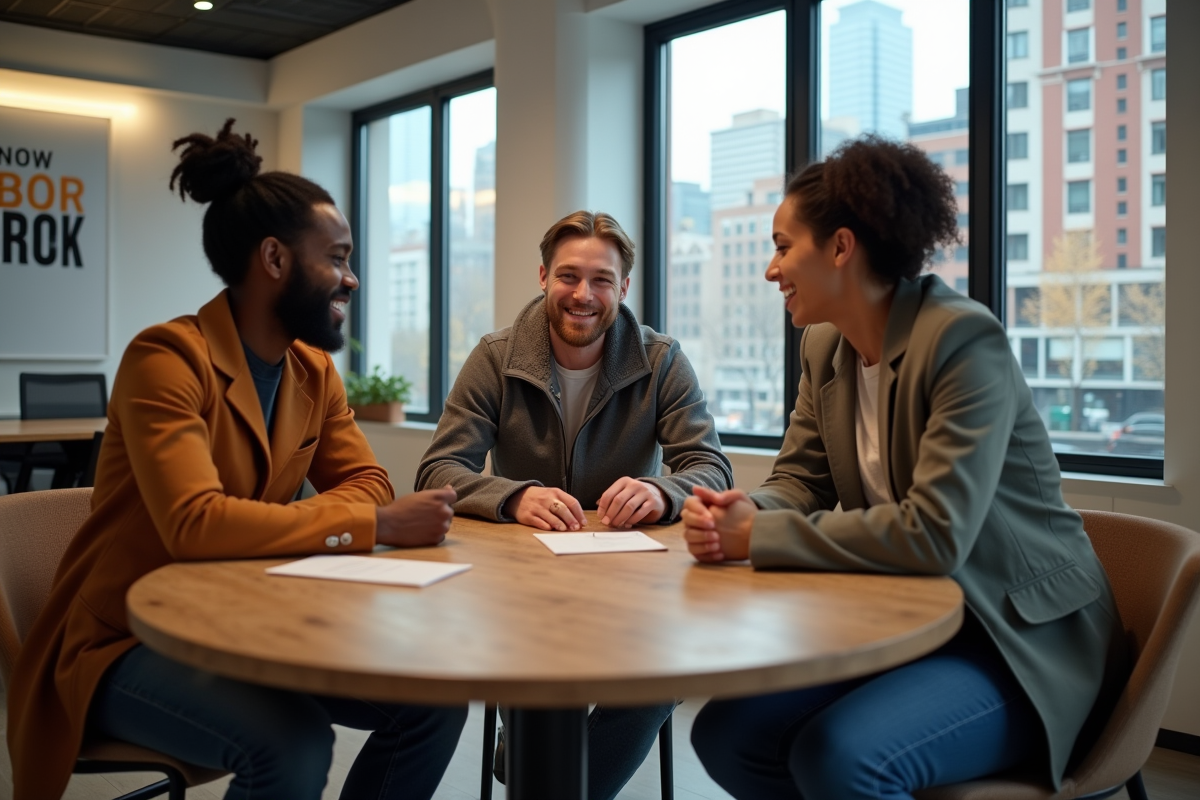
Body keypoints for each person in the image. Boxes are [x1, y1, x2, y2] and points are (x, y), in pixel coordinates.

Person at [7, 119, 467, 800]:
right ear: (275, 260)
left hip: (243, 616)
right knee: (294, 742)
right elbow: (195, 525)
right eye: (336, 258)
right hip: (126, 641)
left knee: (432, 700)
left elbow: (369, 479)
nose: (353, 278)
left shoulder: (312, 372)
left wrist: (277, 519)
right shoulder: (166, 358)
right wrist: (372, 526)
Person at [682, 136, 1129, 800]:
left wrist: (760, 538)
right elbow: (801, 481)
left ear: (840, 247)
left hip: (1016, 639)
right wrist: (739, 515)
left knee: (842, 758)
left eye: (782, 247)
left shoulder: (961, 340)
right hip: (912, 621)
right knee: (726, 734)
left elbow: (936, 533)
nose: (771, 271)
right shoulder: (825, 347)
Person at [416, 209, 733, 799]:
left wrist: (661, 489)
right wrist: (513, 497)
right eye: (568, 276)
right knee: (535, 673)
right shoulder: (496, 357)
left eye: (602, 280)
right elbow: (438, 471)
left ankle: (544, 778)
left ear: (624, 287)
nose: (583, 295)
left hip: (634, 587)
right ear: (542, 276)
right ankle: (539, 760)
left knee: (657, 682)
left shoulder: (661, 359)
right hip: (522, 587)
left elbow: (710, 467)